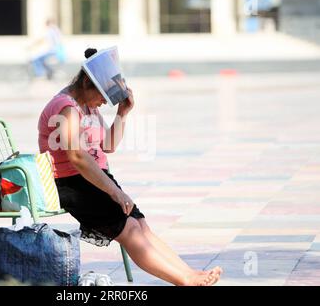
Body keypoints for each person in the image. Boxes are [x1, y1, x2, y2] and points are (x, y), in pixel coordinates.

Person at [37, 48, 223, 286]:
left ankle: (189, 273)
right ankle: (184, 280)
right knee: (131, 230)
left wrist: (122, 113)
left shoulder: (87, 106)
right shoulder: (65, 106)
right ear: (86, 82)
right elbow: (77, 156)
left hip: (95, 177)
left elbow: (108, 145)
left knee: (141, 226)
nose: (104, 101)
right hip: (72, 183)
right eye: (103, 95)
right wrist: (114, 192)